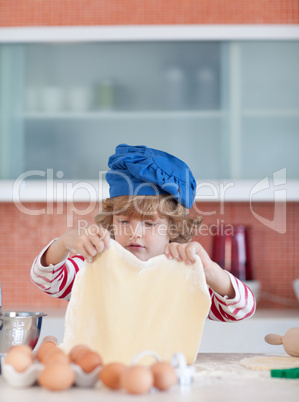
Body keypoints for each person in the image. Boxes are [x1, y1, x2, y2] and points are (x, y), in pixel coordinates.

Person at [31, 144, 255, 322]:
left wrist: (209, 271)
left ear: (173, 227)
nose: (134, 233)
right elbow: (46, 279)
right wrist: (63, 243)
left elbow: (242, 310)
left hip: (167, 375)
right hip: (104, 374)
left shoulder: (185, 275)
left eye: (149, 224)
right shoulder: (93, 265)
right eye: (124, 221)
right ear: (112, 221)